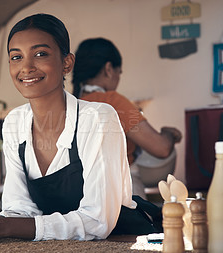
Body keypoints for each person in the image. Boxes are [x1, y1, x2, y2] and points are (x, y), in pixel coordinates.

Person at [0, 13, 149, 245]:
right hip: (56, 251)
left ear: (67, 63)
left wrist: (2, 226)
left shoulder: (97, 118)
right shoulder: (15, 122)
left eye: (40, 54)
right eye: (16, 57)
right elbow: (19, 209)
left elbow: (97, 222)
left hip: (121, 247)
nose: (26, 67)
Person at [72, 37, 182, 199]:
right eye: (119, 73)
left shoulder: (70, 105)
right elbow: (161, 148)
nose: (118, 78)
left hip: (83, 197)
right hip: (122, 194)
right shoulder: (111, 102)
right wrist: (169, 133)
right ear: (109, 69)